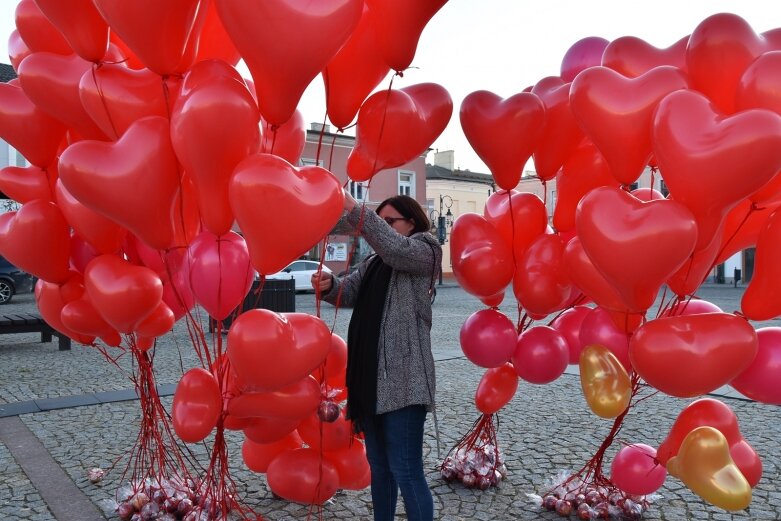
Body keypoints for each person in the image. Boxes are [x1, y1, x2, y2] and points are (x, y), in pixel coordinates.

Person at [312, 191, 442, 521]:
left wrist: (361, 213)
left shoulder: (425, 250)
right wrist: (329, 285)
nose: (381, 228)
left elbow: (397, 249)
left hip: (404, 384)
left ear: (411, 222)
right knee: (380, 468)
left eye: (389, 222)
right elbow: (348, 292)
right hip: (370, 381)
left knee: (406, 470)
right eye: (379, 221)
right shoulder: (373, 263)